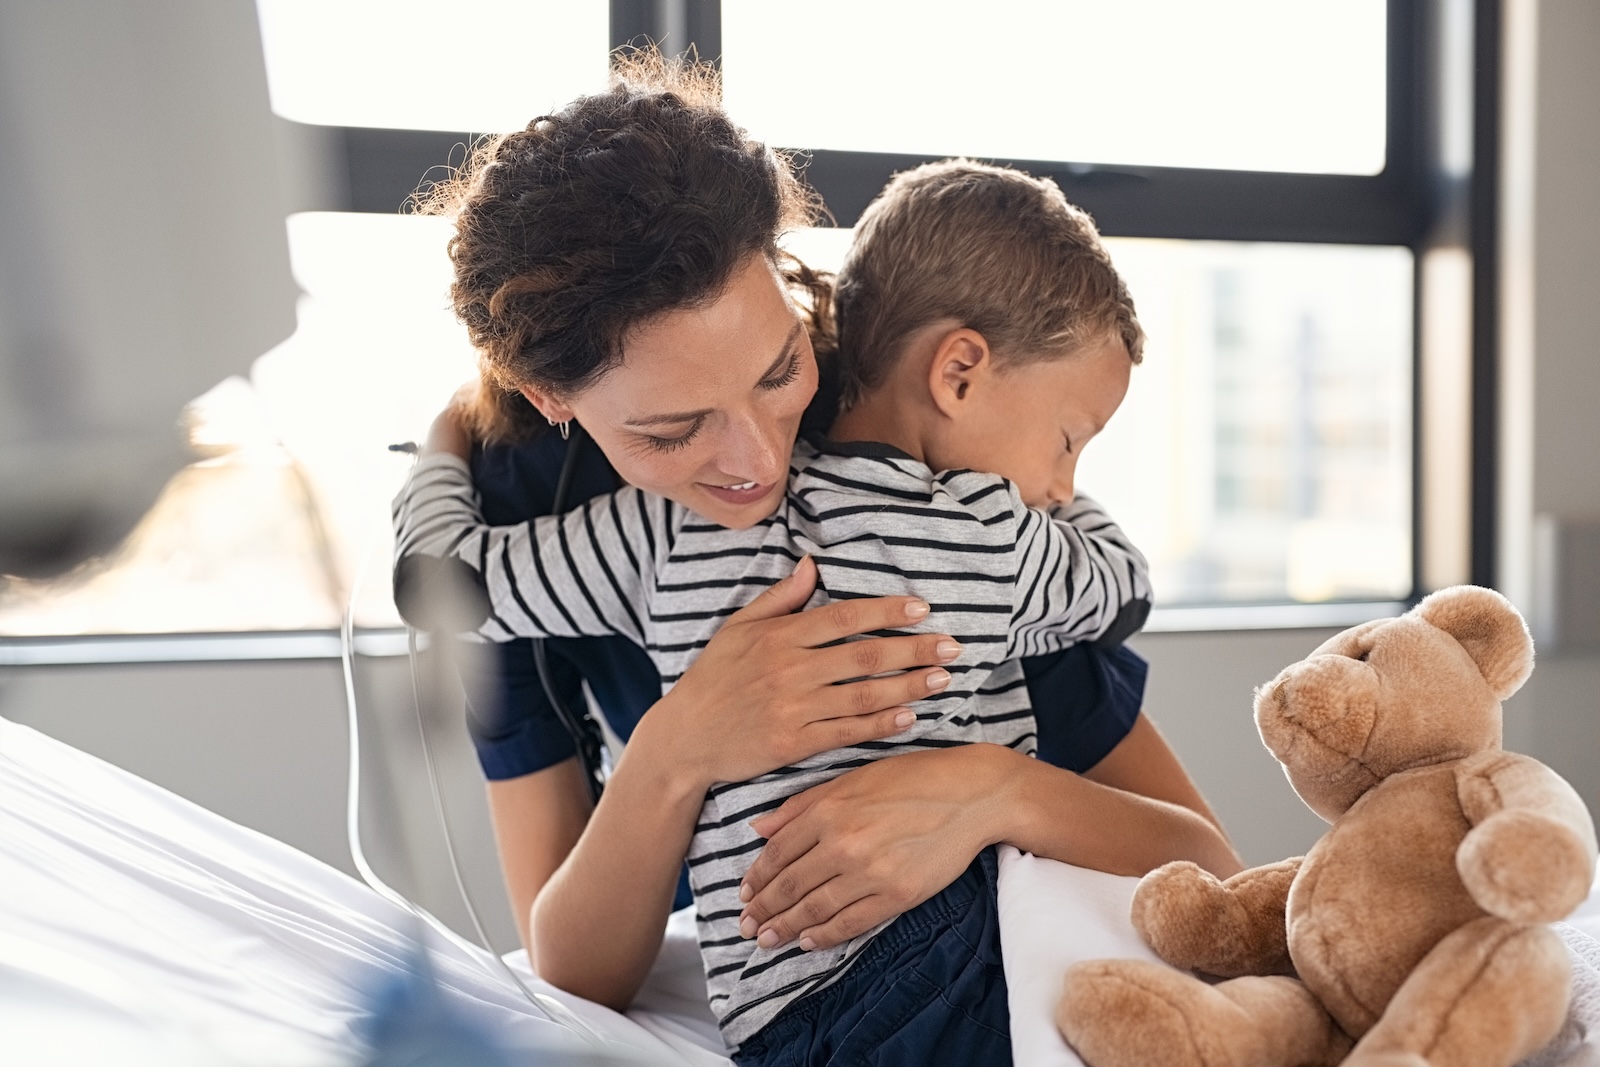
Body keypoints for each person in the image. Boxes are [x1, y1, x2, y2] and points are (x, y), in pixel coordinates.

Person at [394, 53, 1239, 1063]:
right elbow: (571, 960)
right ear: (552, 399)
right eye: (674, 430)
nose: (756, 464)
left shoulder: (928, 452)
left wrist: (988, 789)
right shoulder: (528, 504)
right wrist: (682, 742)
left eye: (778, 370)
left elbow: (1207, 866)